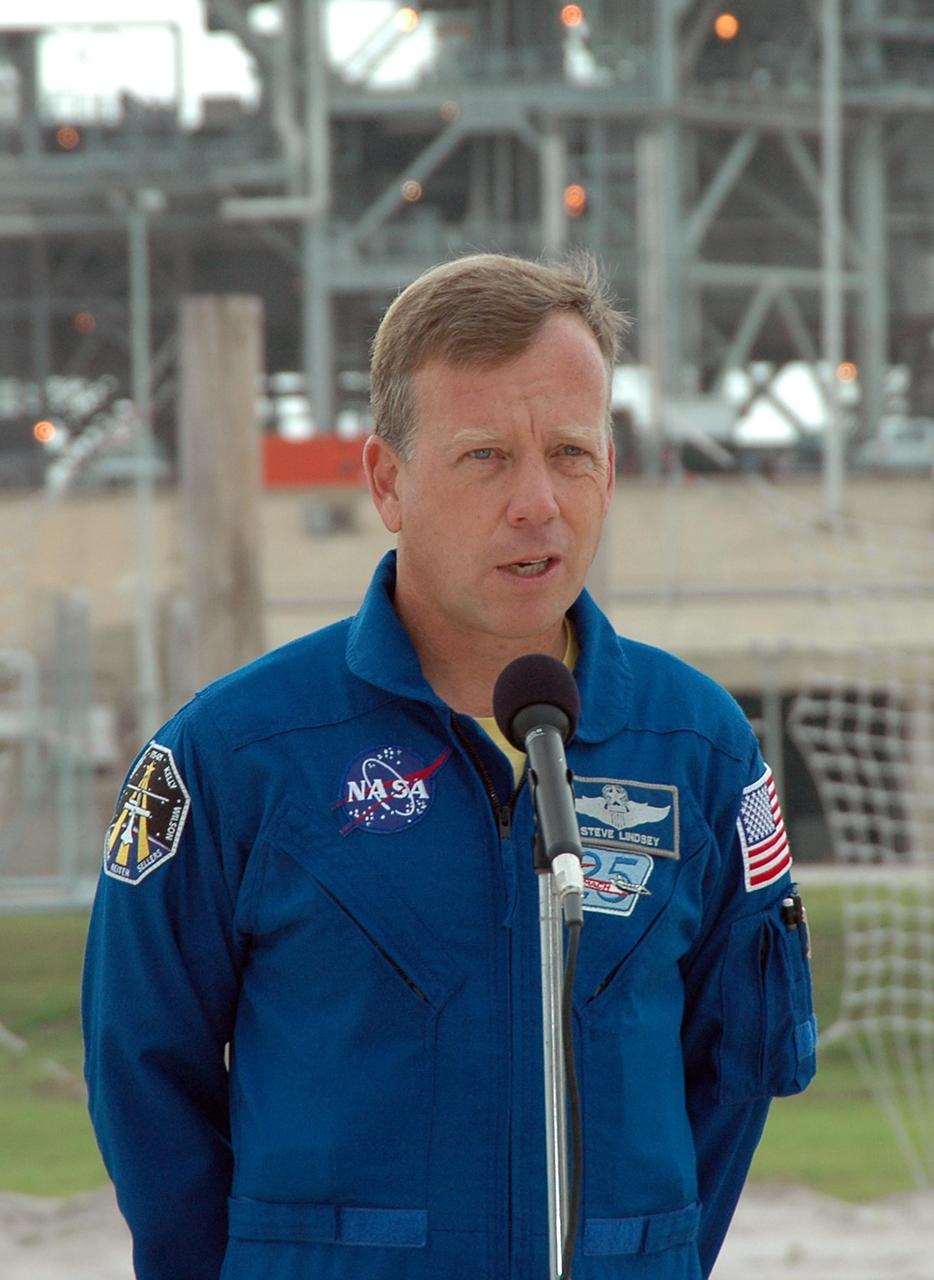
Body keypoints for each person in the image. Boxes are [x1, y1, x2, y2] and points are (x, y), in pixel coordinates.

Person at [82, 252, 816, 1280]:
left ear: (608, 467)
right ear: (386, 480)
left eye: (568, 451)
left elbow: (732, 1075)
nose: (537, 503)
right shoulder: (230, 757)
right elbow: (143, 1074)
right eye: (483, 456)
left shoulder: (698, 748)